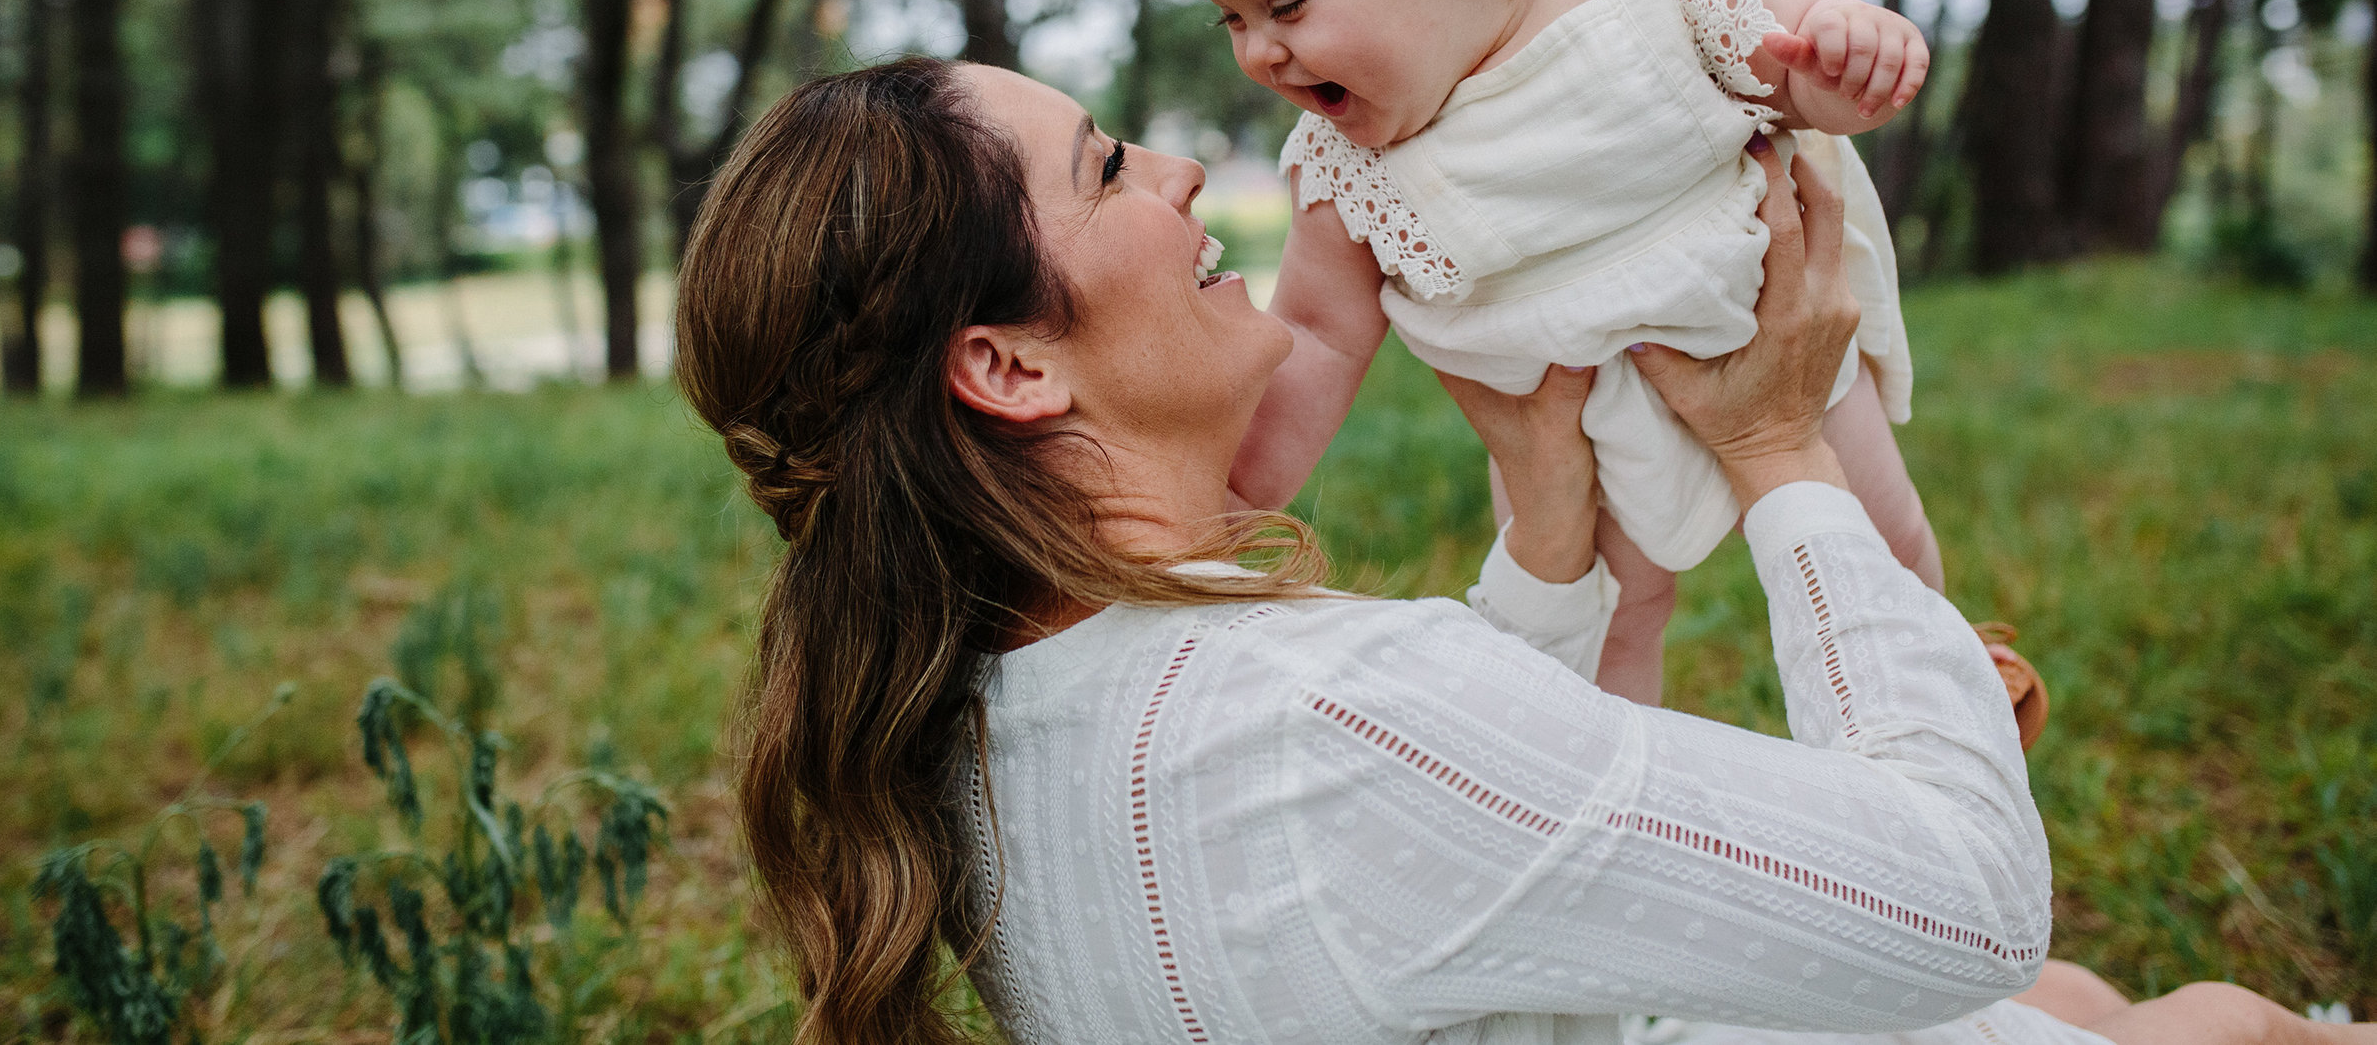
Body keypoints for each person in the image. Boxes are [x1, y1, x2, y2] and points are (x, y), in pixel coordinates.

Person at [672, 57, 2360, 1045]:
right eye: (1105, 167)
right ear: (1010, 364)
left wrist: (1552, 535)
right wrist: (1779, 451)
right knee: (2203, 1019)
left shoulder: (982, 722)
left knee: (2085, 1001)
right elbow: (1970, 893)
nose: (1182, 169)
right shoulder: (1325, 711)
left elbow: (1432, 883)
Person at [1158, 0, 1956, 709]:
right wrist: (1241, 482)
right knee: (1610, 628)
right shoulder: (1346, 168)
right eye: (1228, 19)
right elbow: (1318, 334)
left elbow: (1796, 75)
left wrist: (1846, 55)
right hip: (1570, 435)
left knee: (1882, 533)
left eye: (1282, 2)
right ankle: (1630, 773)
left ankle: (1951, 677)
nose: (1256, 52)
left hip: (1775, 350)